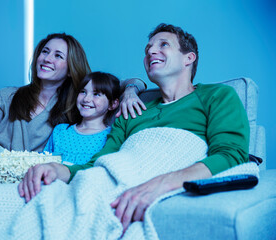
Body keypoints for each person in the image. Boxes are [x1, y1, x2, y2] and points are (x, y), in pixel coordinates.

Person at [21, 23, 250, 231]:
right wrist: (56, 170)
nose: (150, 51)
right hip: (108, 180)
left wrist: (162, 183)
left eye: (163, 45)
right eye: (147, 48)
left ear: (188, 58)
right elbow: (98, 165)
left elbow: (231, 154)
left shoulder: (217, 95)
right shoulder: (133, 110)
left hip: (155, 180)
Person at [0, 33, 146, 178]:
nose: (47, 59)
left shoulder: (77, 103)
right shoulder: (6, 97)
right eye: (45, 52)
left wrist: (130, 91)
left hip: (36, 176)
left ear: (71, 68)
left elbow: (121, 84)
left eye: (58, 56)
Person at [19, 71, 121, 202]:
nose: (86, 99)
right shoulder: (60, 131)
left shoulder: (110, 137)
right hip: (48, 190)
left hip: (82, 195)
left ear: (113, 104)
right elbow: (44, 161)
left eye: (96, 94)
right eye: (83, 92)